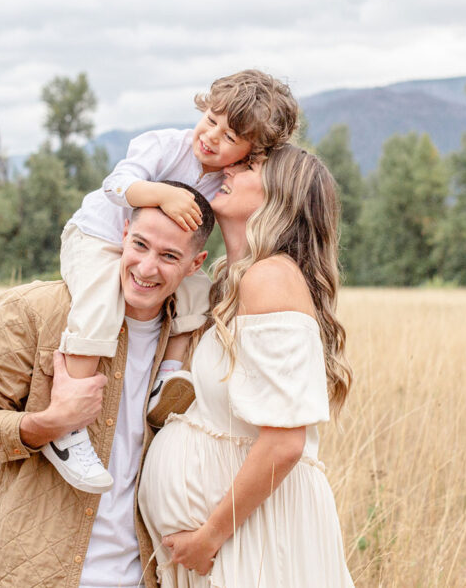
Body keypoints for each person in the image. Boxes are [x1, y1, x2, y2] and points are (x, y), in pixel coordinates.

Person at [48, 69, 299, 494]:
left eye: (230, 136)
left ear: (250, 152)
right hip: (98, 236)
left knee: (197, 292)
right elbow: (116, 185)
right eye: (211, 120)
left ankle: (166, 378)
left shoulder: (226, 180)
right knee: (99, 303)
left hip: (155, 256)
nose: (212, 137)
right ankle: (68, 423)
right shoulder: (166, 145)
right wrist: (161, 194)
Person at [0, 190, 215, 588]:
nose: (146, 267)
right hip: (40, 572)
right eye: (140, 245)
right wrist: (48, 424)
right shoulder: (34, 310)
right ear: (123, 234)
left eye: (169, 256)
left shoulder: (200, 338)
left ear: (196, 264)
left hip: (149, 573)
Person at [139, 145, 356, 587]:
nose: (229, 169)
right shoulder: (234, 282)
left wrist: (209, 536)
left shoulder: (270, 278)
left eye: (250, 165)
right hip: (231, 541)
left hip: (254, 539)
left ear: (280, 197)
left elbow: (285, 442)